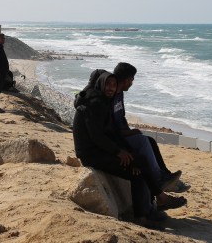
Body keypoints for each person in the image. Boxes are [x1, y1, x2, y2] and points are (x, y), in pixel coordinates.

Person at [72, 71, 171, 225]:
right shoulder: (95, 103)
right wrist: (119, 152)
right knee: (141, 162)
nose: (111, 88)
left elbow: (112, 134)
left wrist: (127, 155)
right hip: (91, 154)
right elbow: (97, 137)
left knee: (137, 170)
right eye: (108, 84)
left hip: (99, 150)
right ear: (101, 84)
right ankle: (160, 198)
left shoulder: (102, 102)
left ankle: (143, 215)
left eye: (114, 85)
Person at [111, 63, 183, 191]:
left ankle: (165, 174)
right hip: (116, 138)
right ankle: (158, 179)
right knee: (143, 141)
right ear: (127, 79)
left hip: (122, 133)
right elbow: (110, 126)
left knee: (150, 141)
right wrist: (127, 134)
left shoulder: (119, 94)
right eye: (132, 80)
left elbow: (121, 117)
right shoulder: (110, 95)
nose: (132, 83)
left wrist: (130, 131)